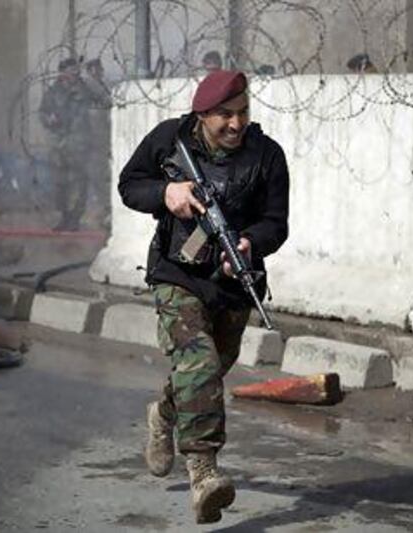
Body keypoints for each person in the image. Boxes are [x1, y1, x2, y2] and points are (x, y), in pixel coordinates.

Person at [118, 69, 289, 524]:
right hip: (177, 274)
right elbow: (129, 185)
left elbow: (277, 221)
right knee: (201, 364)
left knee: (209, 371)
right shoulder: (169, 139)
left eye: (243, 113)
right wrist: (166, 191)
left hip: (234, 280)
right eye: (224, 116)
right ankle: (203, 473)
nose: (236, 124)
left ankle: (164, 413)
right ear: (202, 114)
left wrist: (251, 242)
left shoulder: (267, 155)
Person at [39, 57, 94, 231]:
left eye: (76, 70)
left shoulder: (84, 89)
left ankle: (75, 218)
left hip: (78, 142)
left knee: (79, 181)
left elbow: (97, 104)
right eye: (71, 70)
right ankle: (63, 216)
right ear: (62, 72)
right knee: (60, 182)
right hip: (59, 143)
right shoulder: (53, 92)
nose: (75, 73)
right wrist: (49, 119)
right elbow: (42, 112)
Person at [83, 58, 113, 228]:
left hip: (101, 141)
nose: (97, 72)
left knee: (102, 177)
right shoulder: (88, 87)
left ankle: (103, 211)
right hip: (92, 143)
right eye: (93, 69)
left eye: (98, 69)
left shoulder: (101, 85)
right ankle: (99, 212)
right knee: (96, 177)